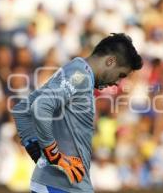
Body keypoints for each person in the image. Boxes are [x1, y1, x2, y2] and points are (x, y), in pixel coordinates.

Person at [12, 33, 143, 193]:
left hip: (59, 184)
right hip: (62, 187)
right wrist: (52, 155)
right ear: (110, 61)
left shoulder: (75, 71)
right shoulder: (79, 75)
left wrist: (38, 153)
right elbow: (40, 106)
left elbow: (22, 110)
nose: (117, 82)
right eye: (121, 75)